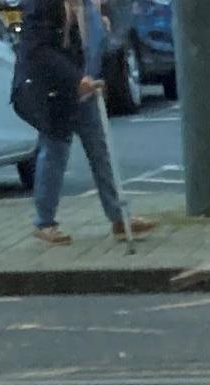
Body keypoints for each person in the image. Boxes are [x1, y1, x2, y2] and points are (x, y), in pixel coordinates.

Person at [14, 0, 154, 244]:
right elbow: (38, 51)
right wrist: (76, 79)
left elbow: (96, 48)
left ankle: (119, 216)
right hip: (54, 90)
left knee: (101, 150)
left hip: (84, 89)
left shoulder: (88, 8)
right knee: (55, 150)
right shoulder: (44, 6)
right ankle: (44, 222)